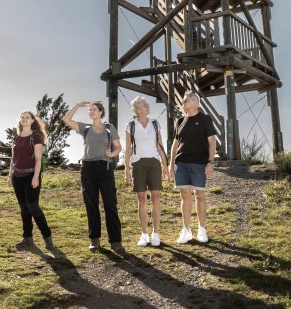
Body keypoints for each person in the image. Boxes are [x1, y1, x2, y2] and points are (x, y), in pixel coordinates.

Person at [62, 101, 125, 254]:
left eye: (94, 109)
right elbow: (66, 119)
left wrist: (112, 153)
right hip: (88, 168)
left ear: (101, 112)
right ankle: (94, 240)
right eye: (90, 109)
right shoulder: (86, 128)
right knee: (91, 204)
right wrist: (77, 105)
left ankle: (116, 241)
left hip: (105, 168)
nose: (91, 111)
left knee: (110, 203)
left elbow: (118, 147)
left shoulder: (110, 128)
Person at [168, 91, 216, 244]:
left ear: (195, 102)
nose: (183, 103)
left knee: (199, 195)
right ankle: (186, 230)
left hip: (199, 163)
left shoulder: (205, 119)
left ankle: (202, 230)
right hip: (181, 163)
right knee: (185, 196)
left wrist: (210, 162)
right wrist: (170, 165)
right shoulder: (180, 120)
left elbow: (212, 142)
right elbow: (175, 145)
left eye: (185, 101)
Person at [125, 97, 169, 247]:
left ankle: (155, 233)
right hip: (138, 164)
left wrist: (165, 166)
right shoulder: (130, 126)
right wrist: (127, 170)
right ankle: (144, 234)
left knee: (156, 197)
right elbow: (128, 151)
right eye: (145, 105)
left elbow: (160, 146)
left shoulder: (155, 124)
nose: (148, 106)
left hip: (154, 163)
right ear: (138, 109)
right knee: (142, 199)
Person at [8, 110, 53, 249]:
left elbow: (38, 159)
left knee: (33, 207)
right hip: (17, 176)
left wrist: (35, 177)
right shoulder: (16, 137)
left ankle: (47, 237)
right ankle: (27, 239)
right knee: (23, 208)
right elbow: (13, 159)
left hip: (31, 175)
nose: (24, 119)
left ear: (33, 120)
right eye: (22, 117)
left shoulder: (36, 136)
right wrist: (10, 176)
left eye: (27, 117)